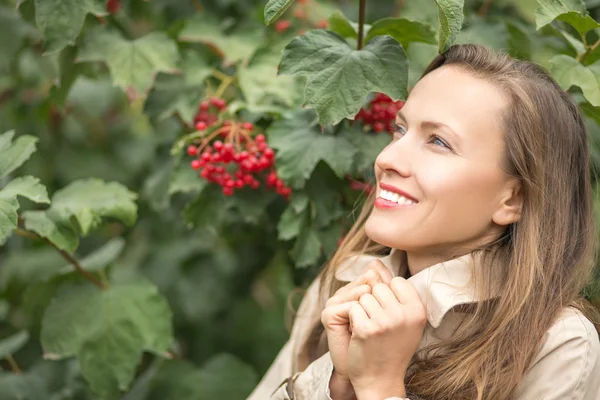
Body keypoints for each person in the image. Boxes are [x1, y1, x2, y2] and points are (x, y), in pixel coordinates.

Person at [246, 44, 600, 400]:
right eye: (400, 130)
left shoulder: (557, 344)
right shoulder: (343, 283)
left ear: (513, 199)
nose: (387, 158)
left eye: (439, 142)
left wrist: (379, 387)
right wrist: (337, 385)